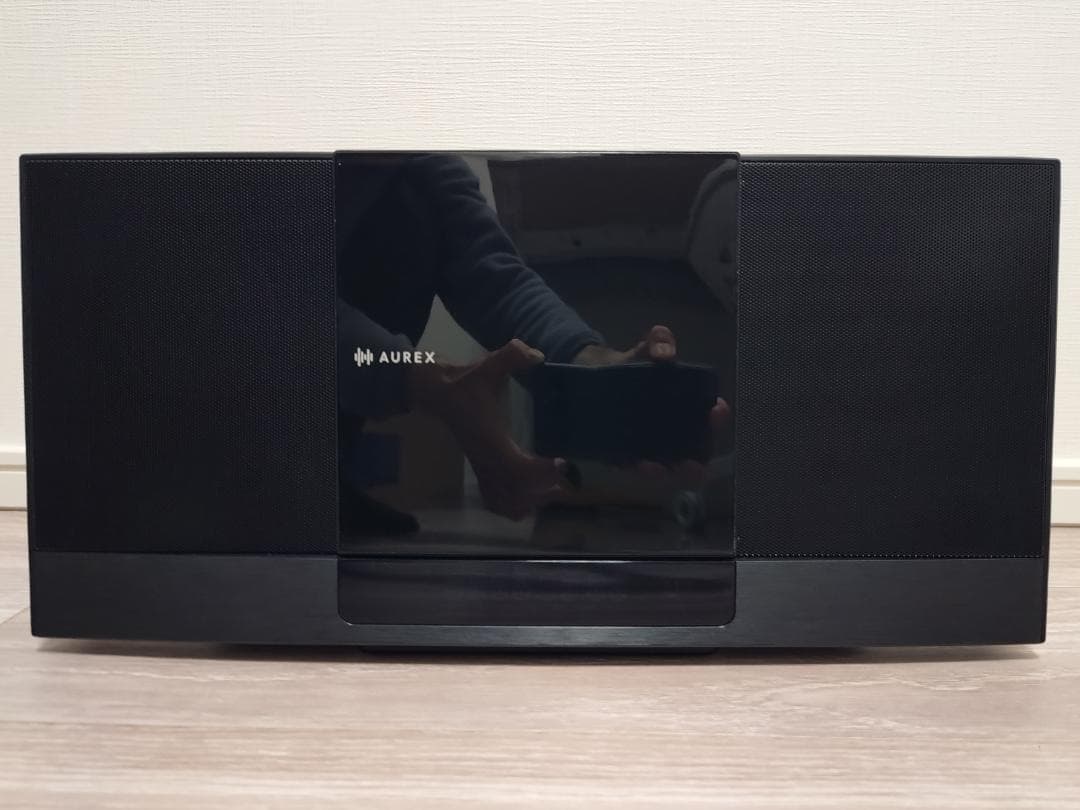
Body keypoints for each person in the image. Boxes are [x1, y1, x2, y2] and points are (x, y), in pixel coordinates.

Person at [336, 154, 724, 531]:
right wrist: (423, 379)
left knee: (407, 198)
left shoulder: (417, 158)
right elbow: (293, 305)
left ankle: (330, 475)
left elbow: (492, 278)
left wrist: (591, 367)